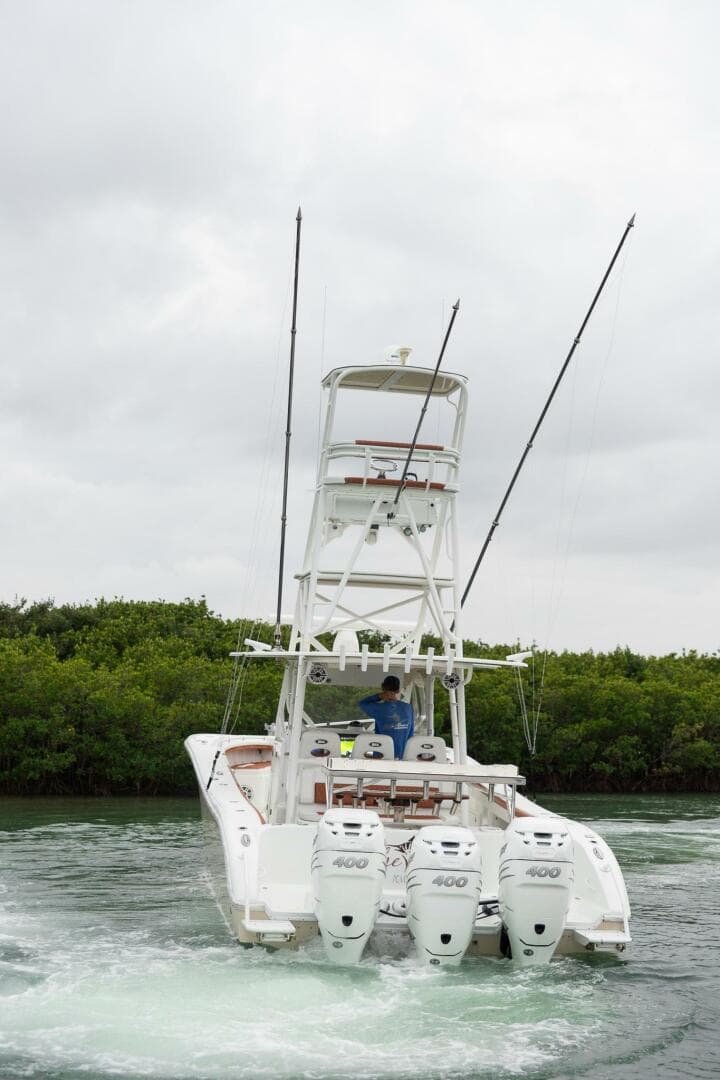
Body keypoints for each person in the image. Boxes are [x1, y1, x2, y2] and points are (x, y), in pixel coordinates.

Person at [358, 676, 414, 759]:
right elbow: (411, 734)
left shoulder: (379, 708)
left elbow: (362, 703)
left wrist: (379, 696)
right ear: (398, 690)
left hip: (381, 757)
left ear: (383, 688)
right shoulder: (408, 708)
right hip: (403, 758)